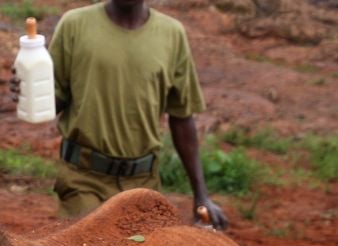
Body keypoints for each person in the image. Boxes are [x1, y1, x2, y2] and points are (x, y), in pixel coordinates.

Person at [17, 0, 229, 229]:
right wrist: (28, 90)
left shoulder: (172, 34)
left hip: (143, 184)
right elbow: (54, 99)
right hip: (84, 179)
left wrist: (201, 195)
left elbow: (182, 117)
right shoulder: (75, 25)